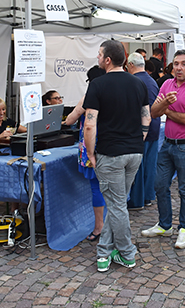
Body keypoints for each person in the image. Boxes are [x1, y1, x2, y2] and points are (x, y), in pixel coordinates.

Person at [83, 39, 151, 272]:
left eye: (100, 55)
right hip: (134, 153)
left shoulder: (98, 85)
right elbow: (146, 118)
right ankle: (103, 253)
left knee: (117, 205)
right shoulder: (138, 83)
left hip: (110, 153)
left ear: (108, 59)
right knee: (117, 203)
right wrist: (137, 139)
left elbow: (89, 125)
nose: (98, 58)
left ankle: (127, 253)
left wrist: (90, 153)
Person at [142, 50, 185, 250]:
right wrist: (163, 106)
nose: (178, 68)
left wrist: (167, 107)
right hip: (168, 143)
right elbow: (153, 113)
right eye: (176, 64)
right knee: (159, 184)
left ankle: (184, 228)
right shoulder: (167, 84)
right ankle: (164, 224)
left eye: (183, 64)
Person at [63, 65, 107, 242]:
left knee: (96, 187)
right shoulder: (112, 95)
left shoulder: (89, 97)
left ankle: (99, 227)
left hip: (93, 145)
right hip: (111, 145)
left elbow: (70, 119)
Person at [126, 52, 161, 210]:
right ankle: (147, 196)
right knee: (149, 164)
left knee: (138, 167)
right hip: (153, 127)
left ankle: (137, 200)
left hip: (141, 128)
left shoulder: (134, 81)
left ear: (131, 65)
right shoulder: (152, 81)